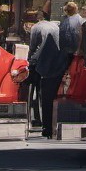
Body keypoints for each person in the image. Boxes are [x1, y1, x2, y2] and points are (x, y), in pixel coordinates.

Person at [28, 8, 66, 138]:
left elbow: (33, 47)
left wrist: (31, 60)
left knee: (40, 94)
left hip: (41, 64)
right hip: (56, 64)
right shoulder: (55, 26)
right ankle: (50, 125)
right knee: (52, 95)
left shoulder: (35, 28)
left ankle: (40, 122)